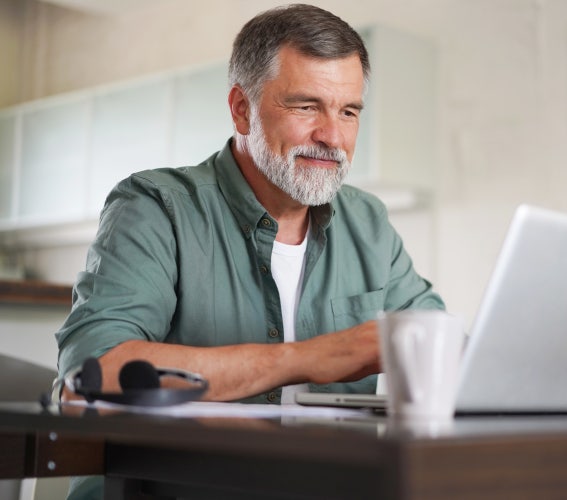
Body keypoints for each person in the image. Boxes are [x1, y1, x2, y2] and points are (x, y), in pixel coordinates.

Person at [55, 3, 443, 408]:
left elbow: (443, 343)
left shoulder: (368, 222)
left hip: (331, 470)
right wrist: (312, 357)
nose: (332, 135)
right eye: (306, 106)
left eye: (348, 112)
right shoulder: (156, 207)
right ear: (242, 110)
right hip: (185, 471)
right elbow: (93, 372)